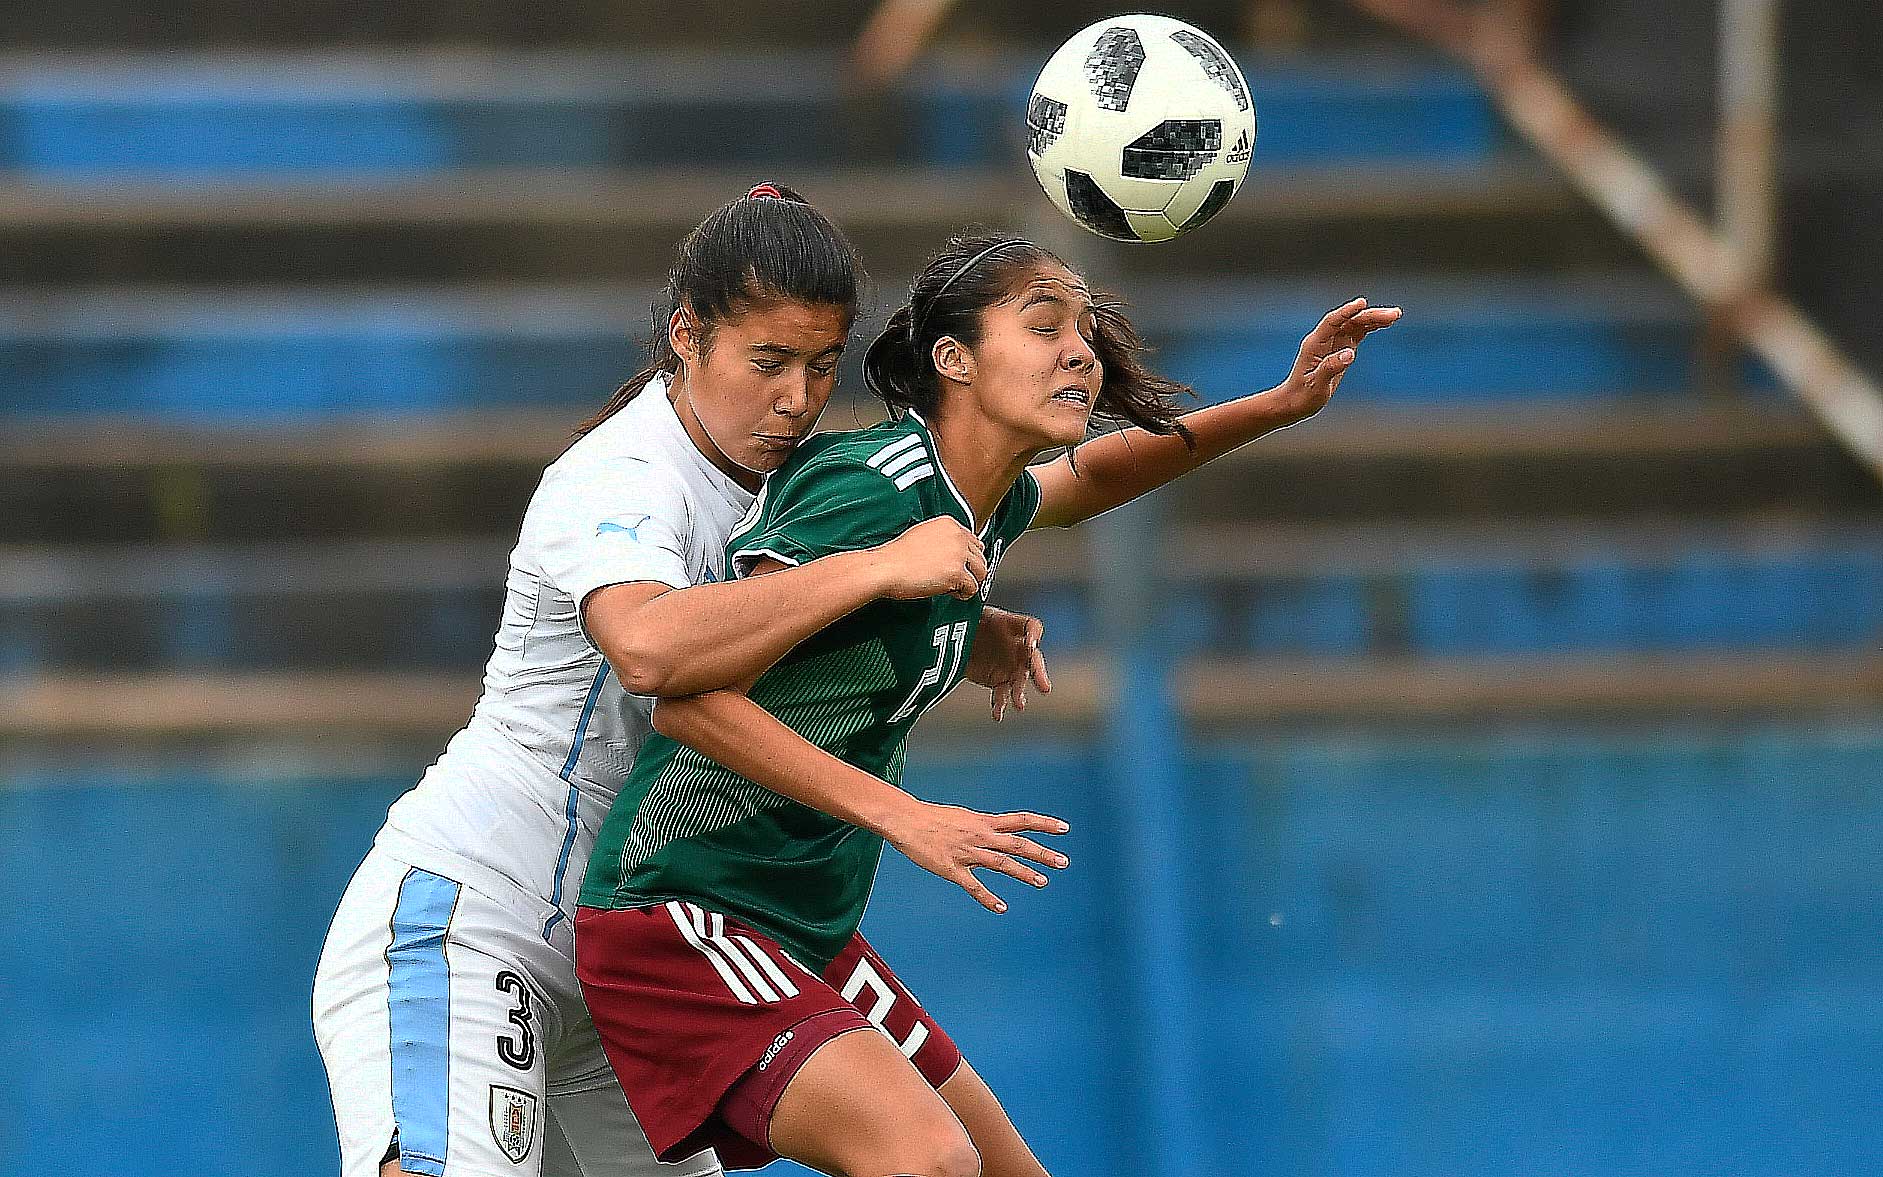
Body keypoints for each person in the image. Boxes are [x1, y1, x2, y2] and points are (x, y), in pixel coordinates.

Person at [574, 233, 1401, 1177]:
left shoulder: (976, 500)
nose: (1080, 353)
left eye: (1085, 331)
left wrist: (1277, 406)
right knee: (927, 1161)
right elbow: (687, 698)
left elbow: (1090, 480)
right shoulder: (866, 488)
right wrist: (904, 815)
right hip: (683, 912)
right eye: (1044, 326)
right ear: (952, 359)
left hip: (800, 918)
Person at [312, 192, 1057, 1177]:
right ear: (684, 336)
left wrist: (959, 630)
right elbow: (652, 654)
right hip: (478, 922)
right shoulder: (623, 477)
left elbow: (1027, 490)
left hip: (636, 954)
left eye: (819, 364)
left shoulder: (794, 479)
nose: (795, 397)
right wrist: (880, 570)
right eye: (767, 363)